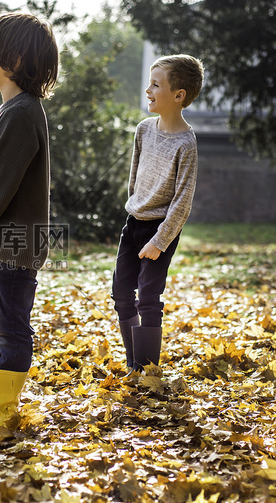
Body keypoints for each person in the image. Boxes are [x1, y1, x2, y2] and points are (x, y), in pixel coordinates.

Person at [0, 12, 59, 437]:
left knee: (8, 326)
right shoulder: (10, 110)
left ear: (15, 59)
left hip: (11, 245)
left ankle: (1, 414)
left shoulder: (22, 113)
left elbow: (2, 182)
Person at [111, 54, 204, 375]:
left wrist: (160, 240)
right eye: (148, 84)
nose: (147, 90)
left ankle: (146, 368)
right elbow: (133, 181)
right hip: (133, 224)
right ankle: (132, 364)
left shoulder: (186, 144)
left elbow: (182, 202)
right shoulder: (143, 130)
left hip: (161, 231)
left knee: (148, 298)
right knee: (121, 293)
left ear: (178, 96)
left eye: (155, 85)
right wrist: (135, 211)